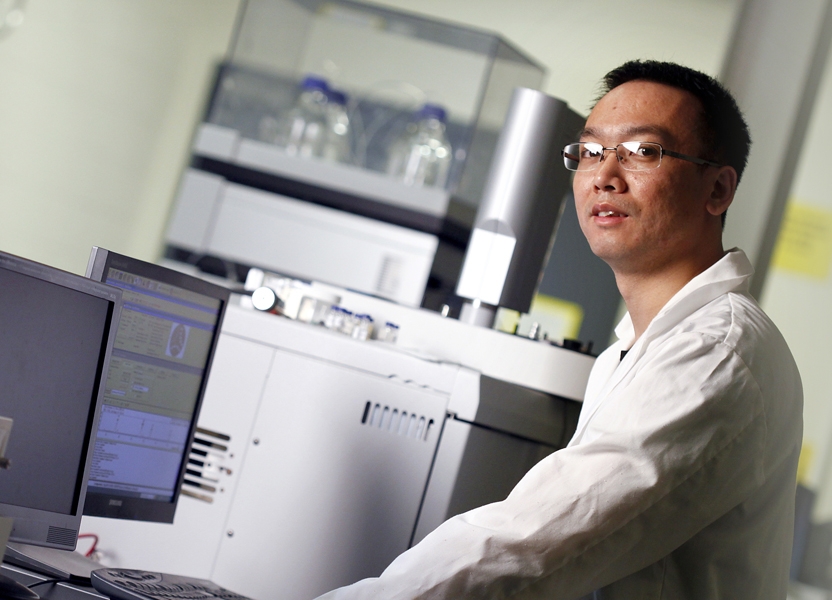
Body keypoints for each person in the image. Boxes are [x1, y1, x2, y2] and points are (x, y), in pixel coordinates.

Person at [317, 60, 802, 600]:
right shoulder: (635, 349)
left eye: (643, 151)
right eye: (590, 151)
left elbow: (529, 545)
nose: (605, 175)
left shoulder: (713, 352)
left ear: (718, 189)